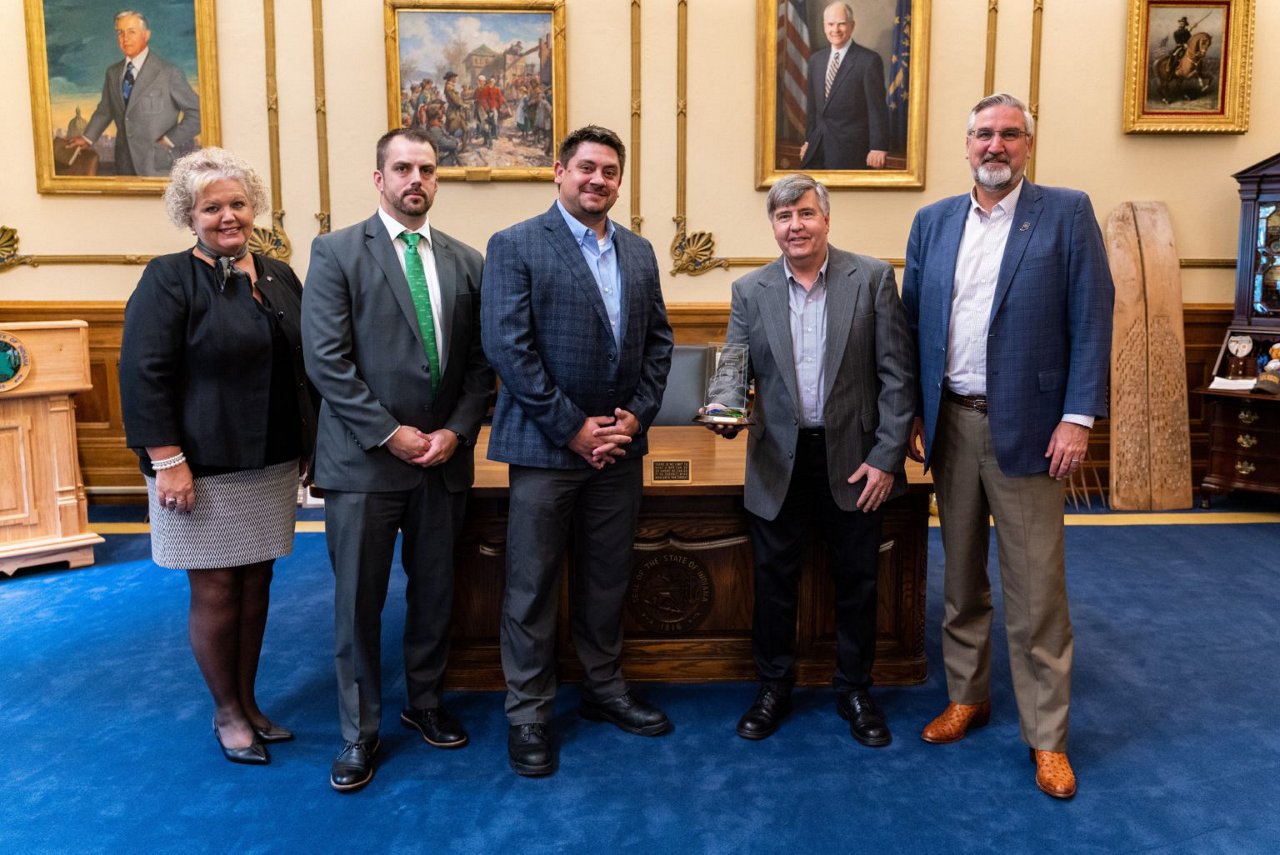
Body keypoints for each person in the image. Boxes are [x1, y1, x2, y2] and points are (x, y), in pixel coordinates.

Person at [901, 93, 1114, 799]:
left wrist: (1078, 417)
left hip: (1032, 428)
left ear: (1028, 145)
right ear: (965, 146)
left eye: (1009, 135)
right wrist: (913, 413)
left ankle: (1047, 736)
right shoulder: (931, 223)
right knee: (960, 578)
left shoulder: (1066, 212)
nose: (996, 146)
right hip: (951, 424)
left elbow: (1092, 317)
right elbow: (910, 326)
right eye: (983, 135)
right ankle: (969, 695)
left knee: (1035, 595)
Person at [302, 128, 494, 793]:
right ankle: (359, 733)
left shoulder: (467, 261)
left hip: (442, 459)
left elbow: (479, 366)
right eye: (403, 168)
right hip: (364, 463)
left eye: (428, 169)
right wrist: (392, 434)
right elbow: (326, 361)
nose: (417, 179)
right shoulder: (334, 252)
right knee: (358, 602)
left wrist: (457, 431)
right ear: (379, 178)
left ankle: (426, 700)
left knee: (435, 591)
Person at [482, 124, 674, 777]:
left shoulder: (641, 252)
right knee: (532, 585)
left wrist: (633, 419)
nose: (598, 180)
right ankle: (529, 712)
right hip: (544, 448)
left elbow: (659, 346)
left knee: (606, 577)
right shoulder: (514, 245)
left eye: (610, 171)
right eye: (586, 168)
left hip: (618, 450)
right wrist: (573, 427)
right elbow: (510, 348)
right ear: (559, 172)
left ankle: (603, 688)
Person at [118, 147, 316, 766]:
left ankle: (250, 700)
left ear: (252, 208)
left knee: (258, 581)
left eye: (237, 204)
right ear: (190, 214)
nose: (227, 217)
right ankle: (226, 711)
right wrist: (166, 458)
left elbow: (301, 366)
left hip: (271, 460)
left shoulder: (280, 273)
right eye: (212, 208)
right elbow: (142, 374)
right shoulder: (168, 278)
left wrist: (309, 443)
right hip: (201, 465)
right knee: (217, 589)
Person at [702, 174, 914, 745]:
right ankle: (773, 687)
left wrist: (887, 457)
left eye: (804, 213)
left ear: (825, 219)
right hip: (778, 461)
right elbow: (733, 369)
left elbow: (897, 376)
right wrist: (723, 408)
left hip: (856, 461)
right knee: (773, 583)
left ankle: (854, 688)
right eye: (782, 217)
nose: (794, 226)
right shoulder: (751, 290)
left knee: (858, 581)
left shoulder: (869, 278)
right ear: (773, 227)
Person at [67, 9, 201, 177]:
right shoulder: (113, 73)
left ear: (146, 35)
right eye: (120, 33)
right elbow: (105, 110)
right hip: (123, 162)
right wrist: (87, 138)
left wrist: (168, 140)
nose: (125, 38)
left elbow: (199, 113)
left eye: (131, 32)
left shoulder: (168, 73)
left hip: (156, 165)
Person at [799, 2, 889, 171]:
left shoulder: (868, 61)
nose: (835, 30)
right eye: (830, 24)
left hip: (850, 150)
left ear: (852, 25)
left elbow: (876, 109)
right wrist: (808, 140)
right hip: (817, 147)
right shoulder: (816, 60)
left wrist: (878, 146)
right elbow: (813, 108)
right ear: (824, 27)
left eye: (841, 24)